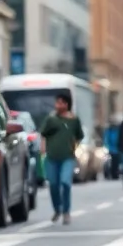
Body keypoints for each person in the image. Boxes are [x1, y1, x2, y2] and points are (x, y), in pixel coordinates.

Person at [40, 89, 84, 224]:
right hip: (52, 157)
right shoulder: (51, 119)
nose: (57, 105)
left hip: (67, 157)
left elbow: (79, 136)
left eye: (61, 103)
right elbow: (43, 134)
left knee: (65, 183)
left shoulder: (74, 120)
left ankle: (66, 211)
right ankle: (57, 209)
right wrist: (43, 149)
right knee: (53, 184)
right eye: (56, 103)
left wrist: (73, 146)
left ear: (66, 104)